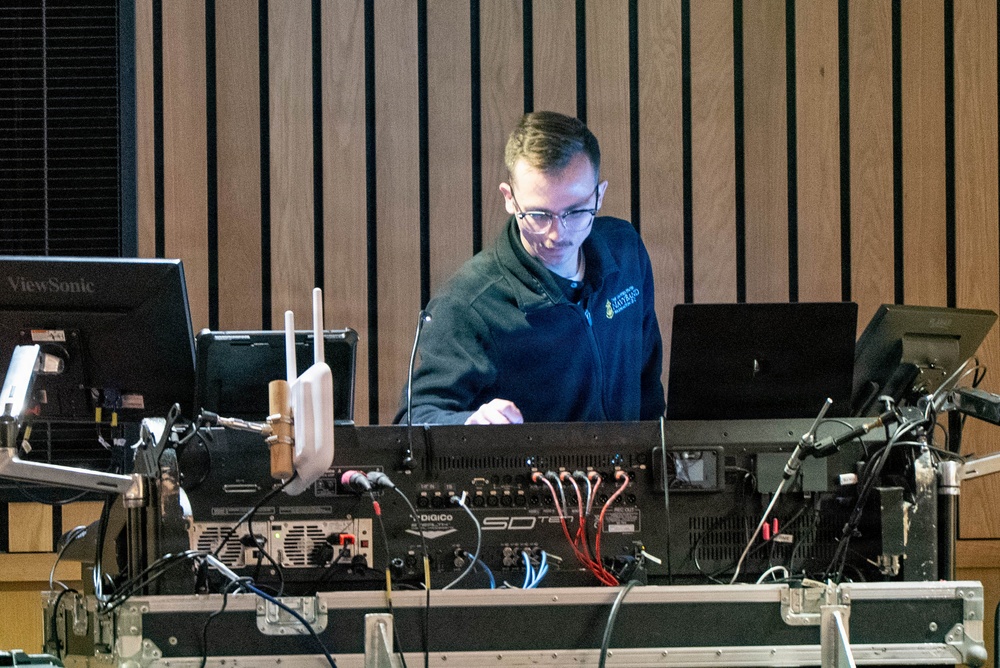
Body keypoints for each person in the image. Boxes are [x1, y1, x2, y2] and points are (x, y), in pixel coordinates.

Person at [395, 111, 665, 425]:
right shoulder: (468, 304)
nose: (558, 234)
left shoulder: (626, 251)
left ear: (600, 195)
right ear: (510, 199)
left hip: (629, 471)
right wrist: (469, 423)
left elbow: (648, 384)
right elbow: (413, 418)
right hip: (535, 473)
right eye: (538, 215)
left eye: (576, 212)